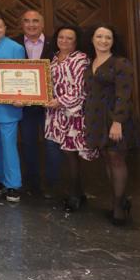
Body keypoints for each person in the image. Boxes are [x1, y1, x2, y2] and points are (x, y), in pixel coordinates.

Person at [84, 24, 140, 226]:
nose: (103, 41)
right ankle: (120, 199)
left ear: (113, 41)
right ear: (92, 39)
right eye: (99, 36)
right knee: (108, 160)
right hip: (96, 120)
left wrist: (117, 122)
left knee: (117, 160)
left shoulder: (120, 63)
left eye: (108, 37)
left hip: (115, 119)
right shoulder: (89, 63)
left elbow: (124, 95)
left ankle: (119, 208)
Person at [44, 25, 97, 212]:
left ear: (76, 42)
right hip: (55, 115)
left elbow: (81, 89)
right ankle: (77, 192)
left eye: (69, 38)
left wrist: (60, 101)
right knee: (65, 155)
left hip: (73, 114)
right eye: (61, 37)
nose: (64, 41)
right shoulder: (54, 58)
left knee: (71, 155)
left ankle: (75, 195)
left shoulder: (81, 60)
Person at [0, 13, 26, 202]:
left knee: (8, 146)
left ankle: (13, 185)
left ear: (5, 28)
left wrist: (21, 97)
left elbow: (22, 76)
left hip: (7, 106)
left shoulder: (16, 48)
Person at [18, 9, 60, 196]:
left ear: (42, 25)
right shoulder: (14, 43)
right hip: (25, 105)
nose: (31, 24)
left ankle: (52, 183)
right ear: (22, 24)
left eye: (35, 21)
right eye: (27, 21)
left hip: (50, 105)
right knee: (28, 143)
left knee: (52, 144)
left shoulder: (55, 44)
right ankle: (32, 183)